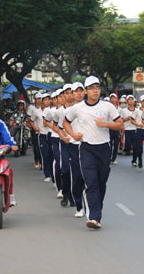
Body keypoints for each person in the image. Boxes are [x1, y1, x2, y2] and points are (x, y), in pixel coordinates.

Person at [63, 76, 124, 229]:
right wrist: (72, 134)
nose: (95, 90)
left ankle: (97, 209)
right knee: (91, 183)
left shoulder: (107, 106)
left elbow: (120, 124)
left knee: (101, 182)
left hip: (103, 148)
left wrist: (105, 124)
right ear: (86, 91)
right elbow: (66, 122)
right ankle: (94, 217)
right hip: (86, 148)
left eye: (97, 87)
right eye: (91, 88)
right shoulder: (78, 108)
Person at [58, 82, 86, 218]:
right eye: (76, 91)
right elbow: (60, 128)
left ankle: (88, 204)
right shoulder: (66, 112)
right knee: (74, 175)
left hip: (88, 145)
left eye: (81, 91)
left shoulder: (91, 108)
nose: (79, 94)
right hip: (73, 146)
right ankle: (77, 203)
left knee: (89, 177)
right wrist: (65, 137)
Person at [131, 95, 144, 171]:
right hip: (139, 130)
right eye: (143, 101)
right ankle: (140, 160)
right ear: (141, 102)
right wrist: (138, 124)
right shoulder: (137, 111)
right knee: (139, 149)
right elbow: (132, 120)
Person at [26, 92, 43, 169]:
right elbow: (29, 118)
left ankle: (43, 161)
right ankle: (37, 160)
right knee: (36, 145)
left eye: (40, 98)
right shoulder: (31, 108)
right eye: (38, 99)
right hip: (35, 128)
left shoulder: (45, 107)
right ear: (35, 99)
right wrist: (33, 126)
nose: (39, 100)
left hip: (43, 129)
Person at [121, 95, 137, 164]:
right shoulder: (123, 111)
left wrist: (135, 121)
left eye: (132, 99)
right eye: (129, 100)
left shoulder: (138, 111)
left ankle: (134, 160)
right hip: (127, 129)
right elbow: (121, 121)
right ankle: (126, 150)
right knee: (128, 144)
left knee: (136, 146)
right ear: (127, 101)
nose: (131, 101)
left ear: (134, 101)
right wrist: (126, 119)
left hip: (135, 129)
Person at [109, 93, 121, 164]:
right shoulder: (108, 108)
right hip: (110, 128)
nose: (113, 99)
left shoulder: (119, 109)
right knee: (109, 144)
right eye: (112, 98)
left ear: (116, 99)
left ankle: (113, 159)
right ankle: (108, 157)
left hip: (117, 129)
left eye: (114, 98)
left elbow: (121, 120)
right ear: (110, 99)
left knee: (116, 144)